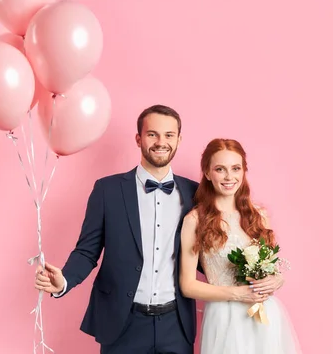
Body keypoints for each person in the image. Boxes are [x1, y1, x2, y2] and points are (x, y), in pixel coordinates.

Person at [33, 104, 201, 354]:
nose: (160, 142)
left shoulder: (194, 193)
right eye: (152, 134)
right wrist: (64, 280)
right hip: (122, 324)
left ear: (179, 139)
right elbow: (87, 251)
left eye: (169, 135)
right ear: (138, 138)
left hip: (176, 325)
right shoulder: (107, 190)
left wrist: (251, 276)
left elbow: (205, 255)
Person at [180, 138, 302, 354]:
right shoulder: (195, 220)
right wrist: (238, 294)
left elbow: (271, 269)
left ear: (244, 171)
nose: (229, 177)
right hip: (225, 318)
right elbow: (188, 285)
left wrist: (276, 280)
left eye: (236, 168)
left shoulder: (258, 215)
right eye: (220, 169)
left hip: (264, 315)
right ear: (207, 173)